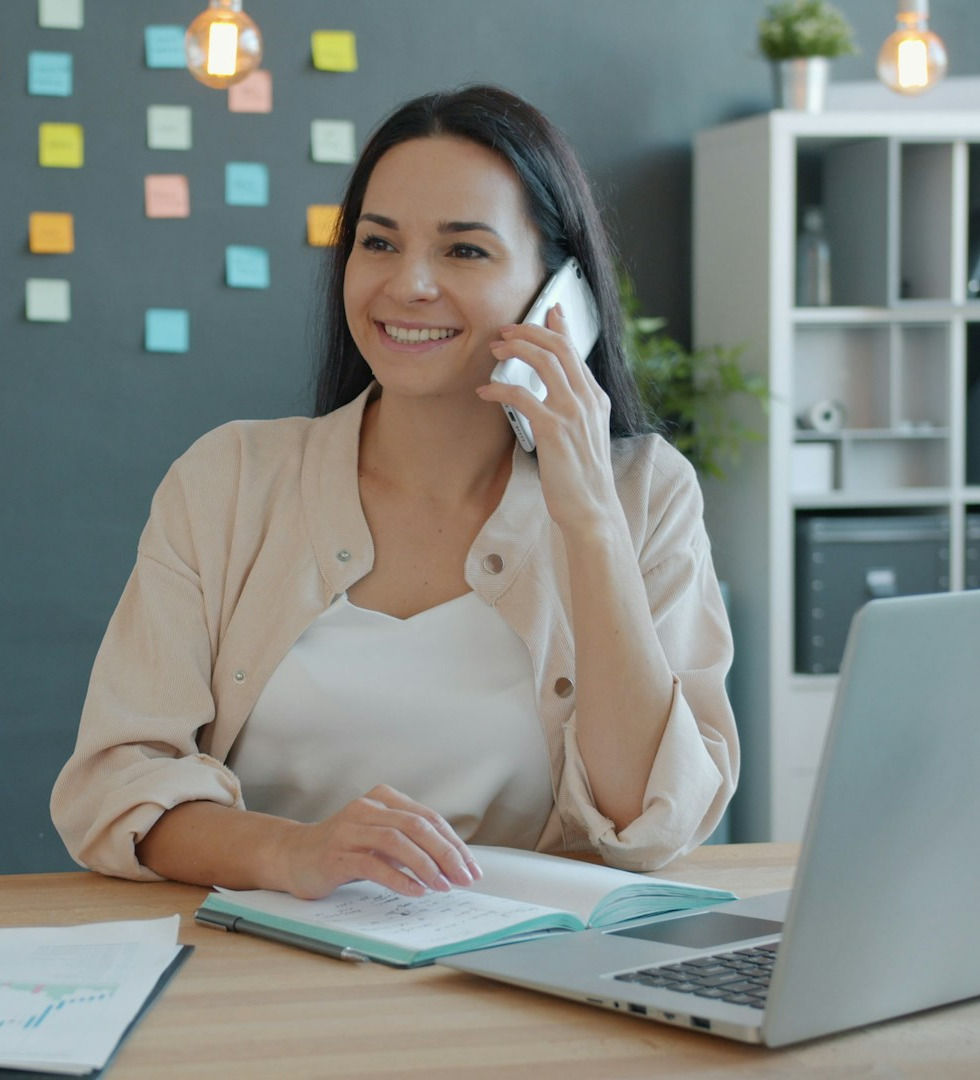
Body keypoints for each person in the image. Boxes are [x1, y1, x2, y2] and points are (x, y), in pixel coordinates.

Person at [51, 84, 738, 902]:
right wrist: (296, 854)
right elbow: (116, 784)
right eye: (378, 244)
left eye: (464, 251)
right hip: (255, 976)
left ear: (562, 297)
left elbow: (647, 825)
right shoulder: (228, 479)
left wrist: (589, 518)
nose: (408, 284)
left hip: (524, 978)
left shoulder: (645, 494)